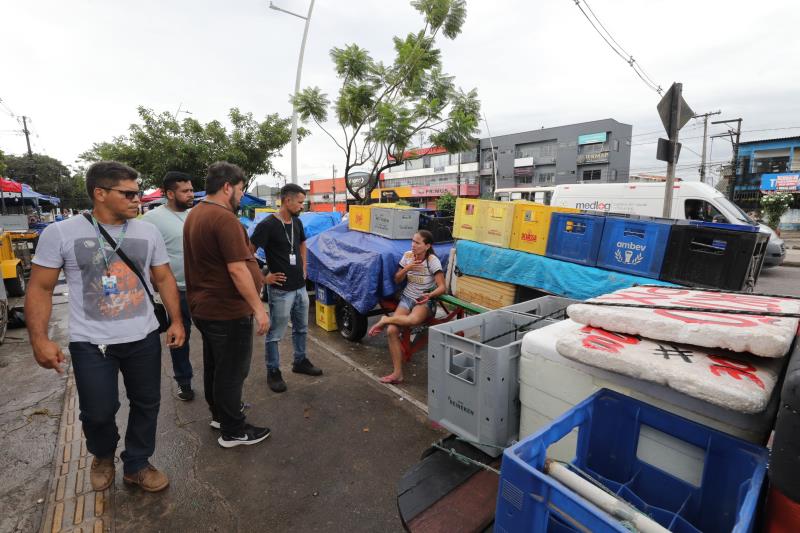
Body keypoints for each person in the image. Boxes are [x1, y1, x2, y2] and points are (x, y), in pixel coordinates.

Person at [26, 161, 186, 493]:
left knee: (147, 403)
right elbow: (40, 288)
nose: (136, 199)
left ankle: (137, 463)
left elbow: (163, 277)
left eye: (138, 193)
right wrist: (39, 339)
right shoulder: (61, 233)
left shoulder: (147, 232)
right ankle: (102, 455)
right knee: (97, 412)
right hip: (90, 342)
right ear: (100, 193)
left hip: (143, 337)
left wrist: (177, 320)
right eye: (128, 194)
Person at [183, 161, 271, 448]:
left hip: (207, 308)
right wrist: (259, 308)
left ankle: (220, 416)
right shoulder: (224, 218)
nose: (242, 195)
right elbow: (237, 269)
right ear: (227, 187)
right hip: (226, 311)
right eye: (241, 189)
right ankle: (233, 430)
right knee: (232, 371)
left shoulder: (196, 213)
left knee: (217, 367)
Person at [250, 183, 322, 393]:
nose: (302, 206)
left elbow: (302, 243)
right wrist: (264, 278)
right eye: (300, 202)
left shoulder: (297, 222)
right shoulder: (267, 225)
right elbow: (247, 253)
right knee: (275, 334)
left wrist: (304, 265)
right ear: (287, 200)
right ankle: (273, 371)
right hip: (281, 290)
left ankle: (300, 361)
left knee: (301, 328)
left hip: (300, 287)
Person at [142, 171, 196, 401]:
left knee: (216, 338)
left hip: (202, 290)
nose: (191, 194)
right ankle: (184, 382)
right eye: (185, 191)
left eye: (192, 190)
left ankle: (219, 386)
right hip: (176, 291)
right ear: (170, 194)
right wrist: (155, 282)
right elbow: (144, 256)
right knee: (180, 337)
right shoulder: (151, 220)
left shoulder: (195, 214)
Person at [367, 230, 446, 384]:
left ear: (427, 246)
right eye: (412, 241)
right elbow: (397, 279)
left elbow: (442, 287)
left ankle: (384, 320)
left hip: (424, 301)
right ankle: (397, 374)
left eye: (417, 242)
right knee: (391, 331)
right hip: (407, 298)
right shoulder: (408, 256)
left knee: (413, 320)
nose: (413, 245)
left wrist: (429, 295)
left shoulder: (432, 260)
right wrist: (407, 268)